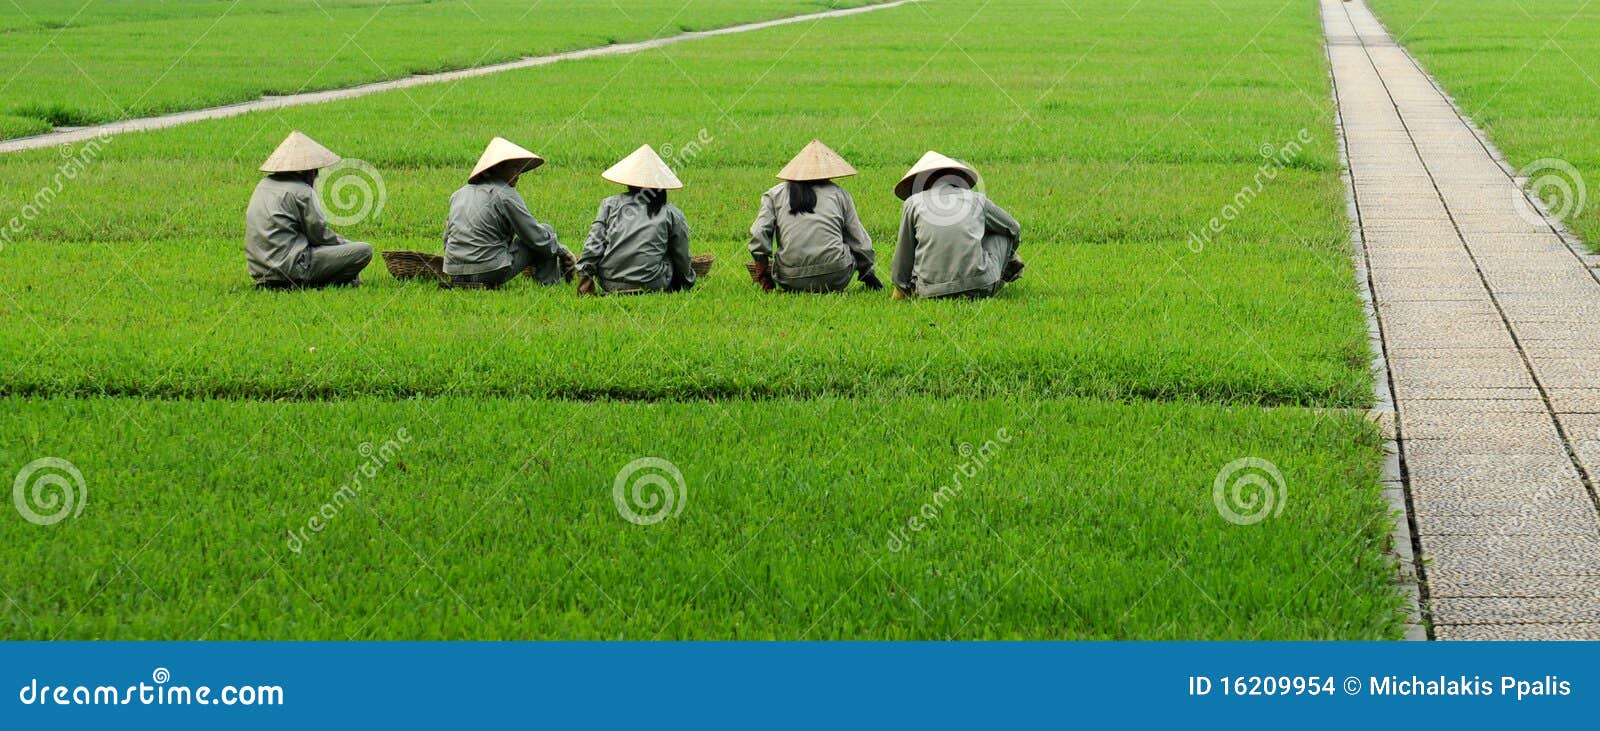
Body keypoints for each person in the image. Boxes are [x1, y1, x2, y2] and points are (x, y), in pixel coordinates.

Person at [747, 140, 880, 293]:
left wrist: (763, 273)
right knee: (850, 246)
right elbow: (860, 243)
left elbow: (759, 232)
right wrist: (868, 274)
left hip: (789, 279)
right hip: (836, 277)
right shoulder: (840, 194)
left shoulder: (773, 195)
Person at [245, 131, 374, 288]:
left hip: (260, 270)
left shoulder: (263, 185)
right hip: (291, 268)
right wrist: (346, 245)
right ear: (308, 171)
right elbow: (320, 236)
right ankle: (316, 283)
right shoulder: (302, 192)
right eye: (316, 172)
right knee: (364, 250)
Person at [890, 151, 1024, 300]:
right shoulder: (976, 199)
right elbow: (1014, 228)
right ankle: (1009, 266)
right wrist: (1010, 255)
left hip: (929, 292)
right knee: (1001, 231)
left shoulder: (912, 203)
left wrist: (901, 285)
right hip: (981, 287)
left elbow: (904, 252)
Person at [443, 137, 574, 288]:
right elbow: (535, 236)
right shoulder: (505, 194)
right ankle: (549, 285)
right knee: (546, 232)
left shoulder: (458, 194)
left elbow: (447, 238)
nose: (519, 174)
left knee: (542, 238)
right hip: (489, 271)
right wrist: (563, 251)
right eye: (515, 167)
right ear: (497, 168)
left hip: (453, 270)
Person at [576, 145, 694, 295]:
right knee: (670, 252)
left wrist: (585, 275)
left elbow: (594, 243)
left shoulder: (610, 204)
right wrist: (687, 282)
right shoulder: (671, 213)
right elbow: (681, 255)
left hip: (609, 282)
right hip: (652, 283)